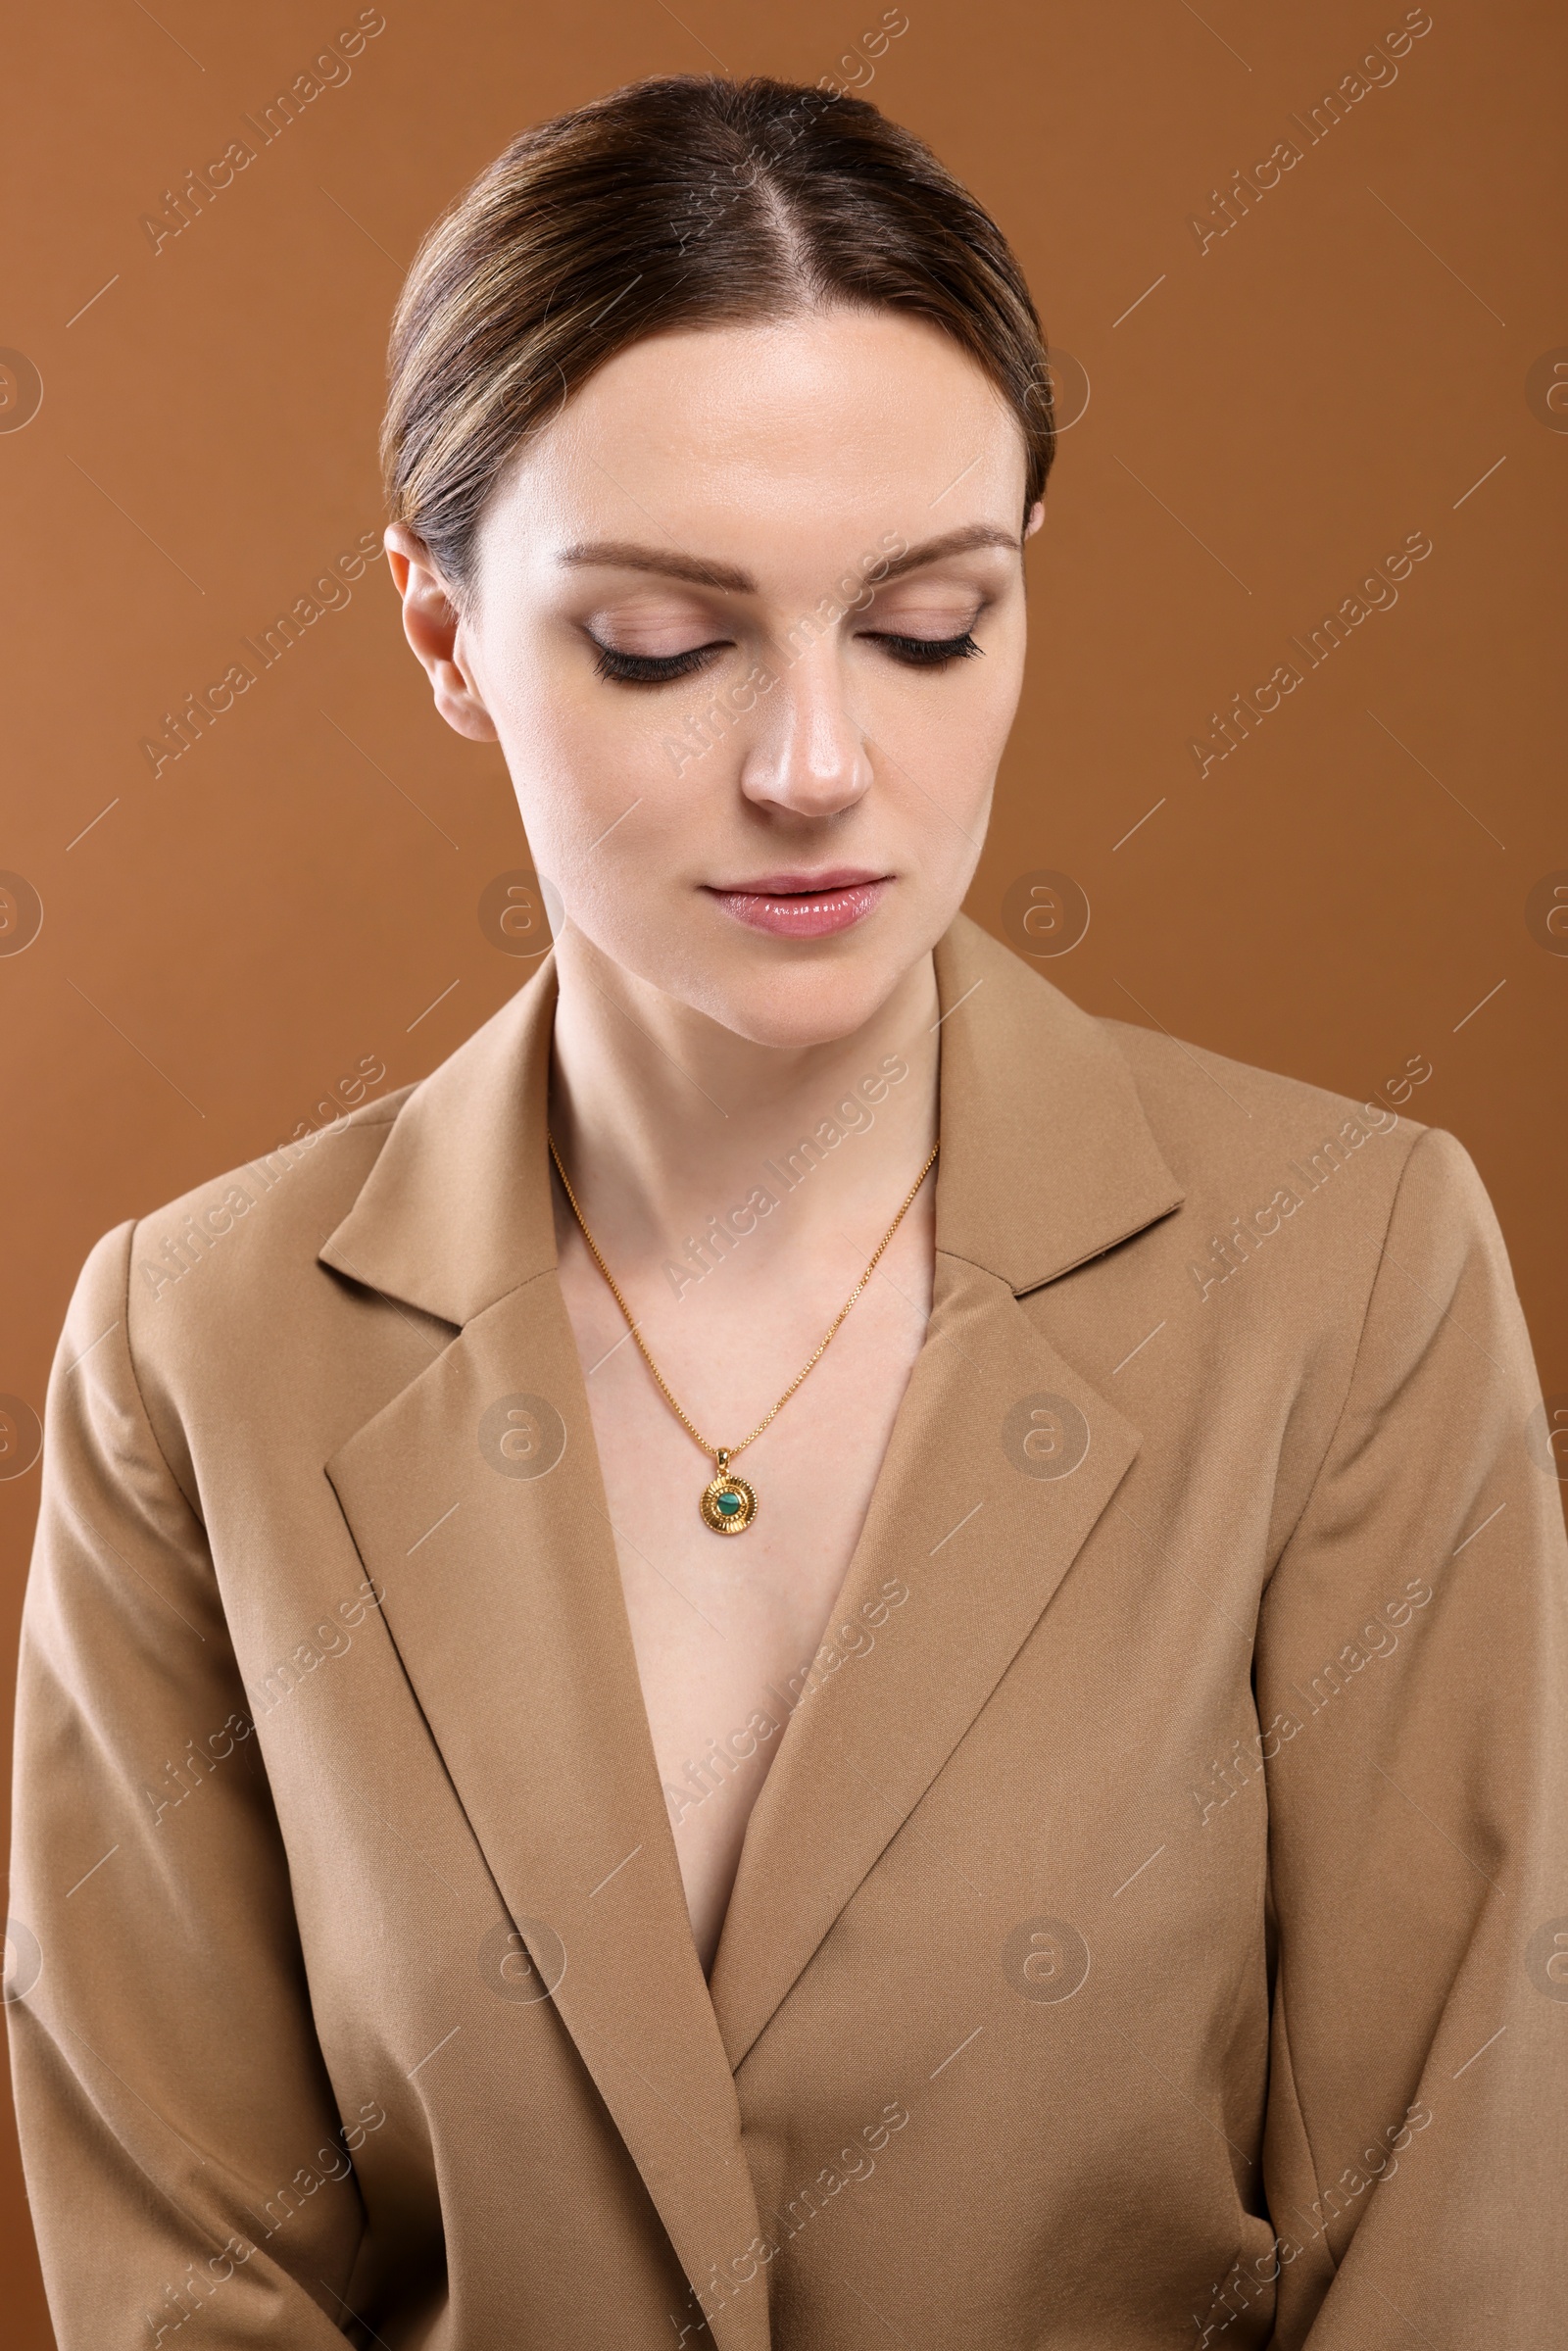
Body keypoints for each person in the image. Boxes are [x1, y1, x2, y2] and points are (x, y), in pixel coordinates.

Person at [8, 72, 1564, 2351]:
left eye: (930, 624)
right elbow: (184, 2268)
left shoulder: (1349, 1266)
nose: (817, 763)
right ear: (443, 637)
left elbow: (1452, 2224)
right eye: (663, 640)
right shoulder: (195, 1342)